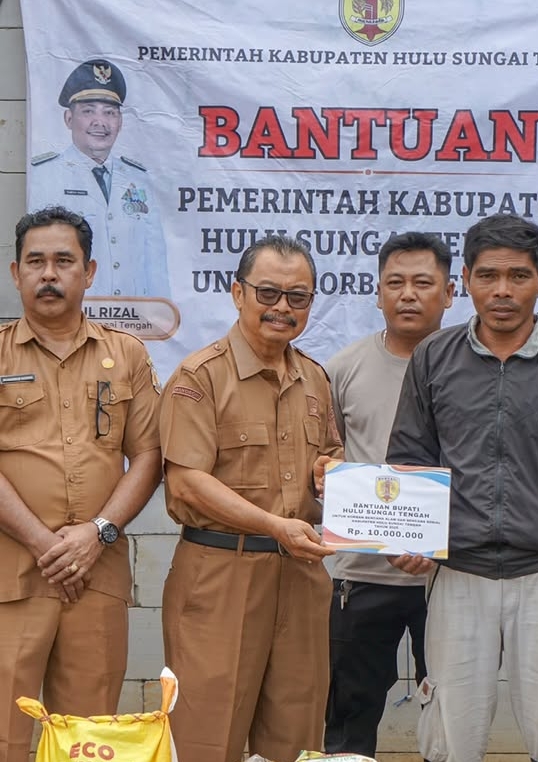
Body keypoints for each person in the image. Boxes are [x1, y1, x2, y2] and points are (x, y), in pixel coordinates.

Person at [386, 213, 538, 762]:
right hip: (458, 572)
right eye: (488, 275)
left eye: (518, 276)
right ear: (466, 280)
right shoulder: (434, 357)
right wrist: (408, 538)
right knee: (449, 740)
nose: (502, 290)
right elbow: (408, 460)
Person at [159, 234, 344, 762]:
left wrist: (331, 476)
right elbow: (186, 482)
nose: (282, 307)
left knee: (296, 738)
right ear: (237, 293)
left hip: (300, 579)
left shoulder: (314, 379)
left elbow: (330, 462)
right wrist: (274, 525)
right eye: (268, 293)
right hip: (220, 575)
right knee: (206, 738)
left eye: (297, 296)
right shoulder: (201, 376)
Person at [0, 206, 162, 762]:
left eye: (64, 261)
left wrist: (98, 532)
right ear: (16, 272)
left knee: (89, 737)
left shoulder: (127, 354)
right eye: (35, 261)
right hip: (12, 576)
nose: (49, 274)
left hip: (96, 572)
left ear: (89, 272)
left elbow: (149, 455)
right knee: (4, 733)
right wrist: (44, 543)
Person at [323, 232, 454, 757]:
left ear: (450, 292)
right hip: (360, 575)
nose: (408, 294)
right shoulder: (343, 368)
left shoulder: (472, 368)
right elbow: (324, 455)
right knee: (349, 713)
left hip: (450, 575)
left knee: (450, 713)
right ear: (377, 294)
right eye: (395, 283)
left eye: (423, 283)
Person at [29, 59, 170, 298]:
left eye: (109, 113)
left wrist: (161, 312)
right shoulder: (45, 176)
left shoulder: (138, 179)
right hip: (74, 313)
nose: (100, 122)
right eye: (88, 111)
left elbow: (155, 262)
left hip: (132, 316)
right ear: (69, 119)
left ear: (120, 122)